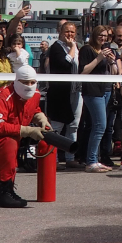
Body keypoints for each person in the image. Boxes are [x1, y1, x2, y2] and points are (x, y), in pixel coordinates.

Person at [0, 66, 52, 207]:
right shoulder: (2, 97)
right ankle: (5, 192)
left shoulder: (35, 95)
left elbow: (33, 109)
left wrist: (41, 118)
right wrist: (28, 130)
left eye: (32, 82)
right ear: (16, 81)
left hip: (3, 142)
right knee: (8, 142)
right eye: (25, 82)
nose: (29, 86)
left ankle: (0, 189)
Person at [78, 25, 117, 172]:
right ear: (94, 35)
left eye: (105, 36)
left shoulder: (106, 50)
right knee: (99, 126)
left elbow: (114, 73)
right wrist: (99, 57)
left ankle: (95, 159)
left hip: (106, 89)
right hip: (93, 91)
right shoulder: (87, 50)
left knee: (101, 126)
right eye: (100, 35)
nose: (103, 38)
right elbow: (83, 71)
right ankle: (91, 161)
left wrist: (112, 61)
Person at [45, 21, 82, 169]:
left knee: (73, 125)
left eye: (73, 32)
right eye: (67, 31)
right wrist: (73, 47)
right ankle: (52, 159)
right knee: (57, 126)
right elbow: (65, 63)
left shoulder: (76, 47)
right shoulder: (56, 47)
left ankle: (70, 157)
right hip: (59, 93)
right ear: (60, 31)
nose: (70, 35)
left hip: (74, 91)